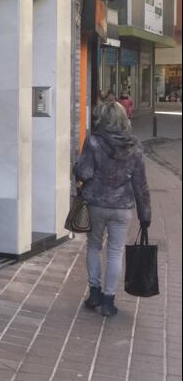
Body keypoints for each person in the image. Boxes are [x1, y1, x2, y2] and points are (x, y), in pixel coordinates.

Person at [73, 99, 151, 317]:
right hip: (122, 207)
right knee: (115, 252)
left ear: (102, 119)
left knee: (94, 247)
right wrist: (145, 215)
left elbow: (85, 172)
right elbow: (141, 184)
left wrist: (76, 169)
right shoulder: (134, 146)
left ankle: (94, 293)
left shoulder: (93, 142)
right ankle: (108, 301)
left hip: (96, 204)